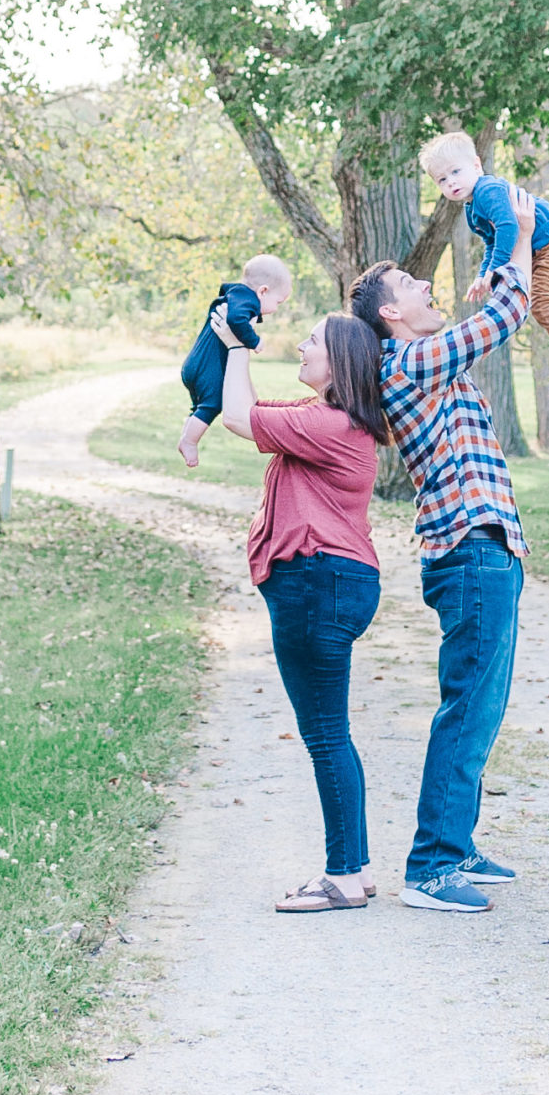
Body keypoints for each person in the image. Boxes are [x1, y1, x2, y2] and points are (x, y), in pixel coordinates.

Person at [352, 226, 533, 914]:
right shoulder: (405, 360)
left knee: (483, 708)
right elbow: (503, 320)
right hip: (467, 551)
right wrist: (514, 236)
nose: (426, 286)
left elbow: (476, 323)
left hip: (489, 547)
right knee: (467, 706)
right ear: (390, 314)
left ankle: (454, 846)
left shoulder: (426, 364)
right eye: (410, 285)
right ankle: (430, 868)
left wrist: (491, 277)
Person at [210, 300, 390, 915]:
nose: (302, 348)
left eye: (312, 341)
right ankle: (356, 869)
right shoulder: (324, 416)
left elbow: (236, 418)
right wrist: (234, 347)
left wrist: (237, 347)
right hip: (333, 580)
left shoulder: (331, 426)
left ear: (338, 361)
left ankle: (340, 876)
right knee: (333, 735)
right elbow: (248, 409)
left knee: (325, 737)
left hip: (317, 581)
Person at [418, 130, 549, 403]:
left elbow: (509, 228)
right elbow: (493, 241)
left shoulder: (487, 190)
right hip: (546, 249)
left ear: (476, 165)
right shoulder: (472, 209)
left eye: (455, 172)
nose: (450, 182)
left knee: (543, 303)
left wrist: (495, 271)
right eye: (442, 179)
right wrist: (483, 275)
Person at [178, 253, 293, 469]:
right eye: (278, 302)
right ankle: (189, 441)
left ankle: (188, 432)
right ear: (263, 291)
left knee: (200, 406)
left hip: (196, 364)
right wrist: (253, 341)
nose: (277, 309)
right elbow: (235, 320)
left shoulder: (235, 296)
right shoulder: (246, 301)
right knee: (213, 404)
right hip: (206, 368)